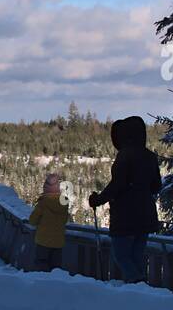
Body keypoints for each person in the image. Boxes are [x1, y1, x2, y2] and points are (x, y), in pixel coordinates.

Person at [88, 116, 161, 283]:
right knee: (137, 255)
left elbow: (117, 185)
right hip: (146, 215)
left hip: (125, 216)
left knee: (121, 255)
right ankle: (141, 289)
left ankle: (136, 283)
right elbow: (156, 185)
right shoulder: (149, 156)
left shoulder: (125, 156)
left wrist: (98, 200)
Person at [30, 173, 70, 272]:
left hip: (43, 241)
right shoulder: (64, 204)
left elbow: (32, 221)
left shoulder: (43, 203)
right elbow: (65, 220)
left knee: (41, 265)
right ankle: (54, 286)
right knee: (56, 269)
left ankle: (42, 286)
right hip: (58, 242)